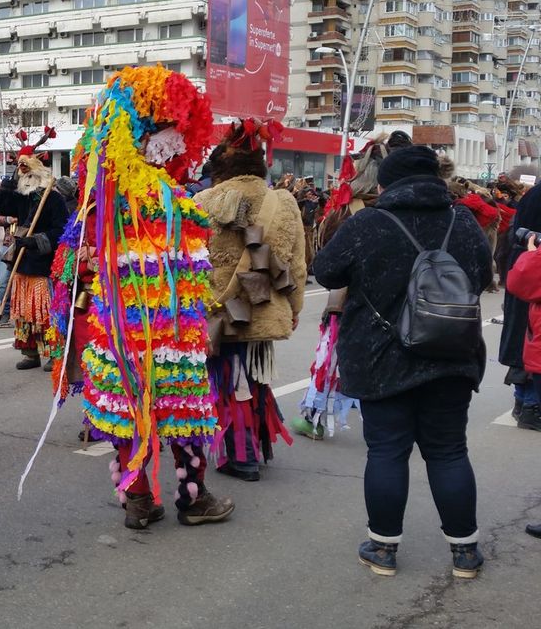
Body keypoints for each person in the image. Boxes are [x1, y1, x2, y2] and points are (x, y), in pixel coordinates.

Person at [42, 65, 233, 530]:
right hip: (170, 333)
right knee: (182, 410)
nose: (180, 146)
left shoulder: (99, 200)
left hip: (116, 332)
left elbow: (72, 269)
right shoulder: (169, 199)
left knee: (127, 409)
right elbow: (193, 268)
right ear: (155, 136)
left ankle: (137, 499)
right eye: (173, 135)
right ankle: (194, 497)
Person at [314, 145, 492, 579]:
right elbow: (484, 277)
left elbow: (326, 272)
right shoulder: (463, 222)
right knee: (449, 451)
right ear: (438, 181)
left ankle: (384, 549)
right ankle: (465, 553)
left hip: (381, 357)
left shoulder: (368, 223)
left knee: (388, 451)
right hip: (451, 354)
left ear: (385, 183)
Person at [195, 120, 305, 482]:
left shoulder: (201, 202)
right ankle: (255, 447)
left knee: (230, 381)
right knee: (253, 379)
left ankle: (240, 455)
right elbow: (297, 265)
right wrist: (296, 308)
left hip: (218, 312)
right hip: (265, 307)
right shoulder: (284, 202)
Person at [294, 134, 409, 440]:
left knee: (332, 358)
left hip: (351, 301)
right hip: (401, 302)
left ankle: (315, 417)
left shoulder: (349, 209)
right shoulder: (409, 208)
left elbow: (326, 260)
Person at [0, 128, 68, 371]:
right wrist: (6, 186)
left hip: (43, 263)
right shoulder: (21, 196)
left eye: (26, 168)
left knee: (44, 311)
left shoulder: (53, 198)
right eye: (20, 168)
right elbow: (2, 208)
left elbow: (61, 231)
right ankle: (29, 353)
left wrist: (37, 240)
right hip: (21, 260)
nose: (23, 173)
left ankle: (52, 352)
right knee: (23, 311)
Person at [501, 183, 541, 430]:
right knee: (532, 343)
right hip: (533, 267)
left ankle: (523, 402)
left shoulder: (532, 196)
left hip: (525, 267)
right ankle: (531, 406)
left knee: (523, 340)